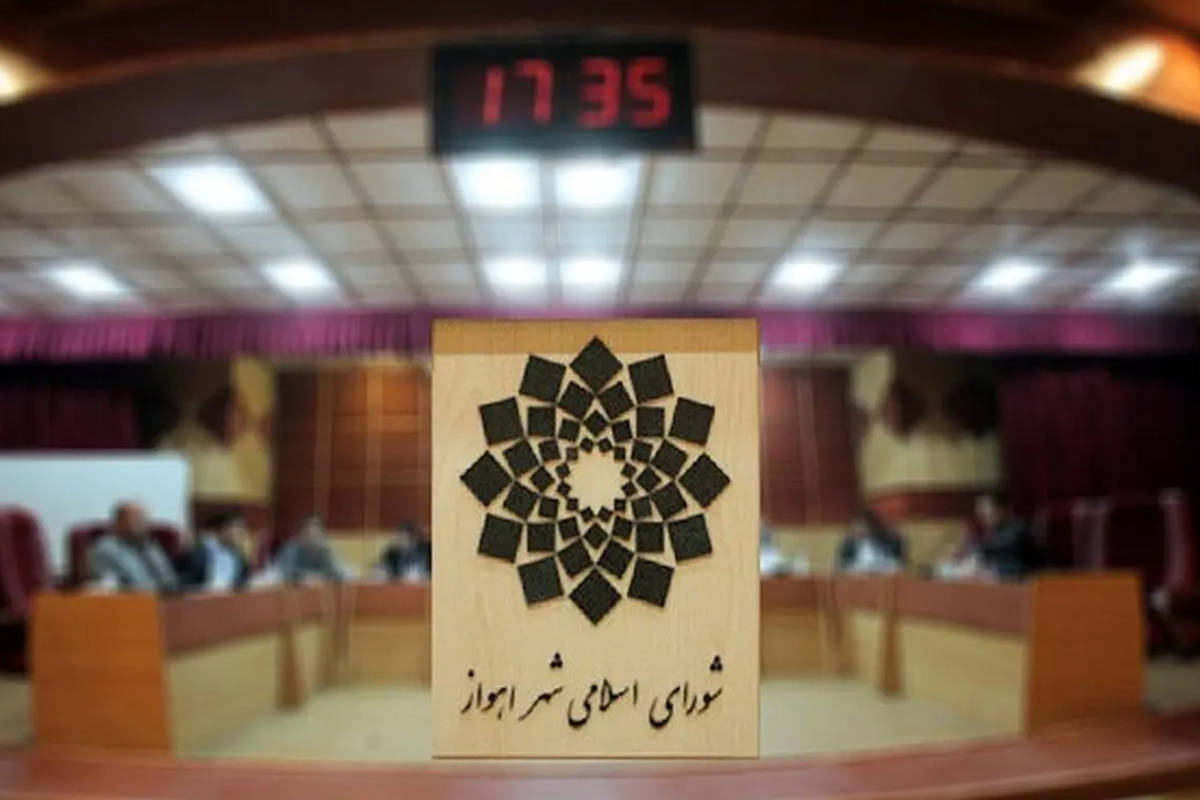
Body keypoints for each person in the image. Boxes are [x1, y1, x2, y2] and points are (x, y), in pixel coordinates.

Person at [86, 501, 179, 592]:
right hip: (133, 599)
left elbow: (169, 580)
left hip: (166, 598)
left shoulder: (149, 546)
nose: (141, 525)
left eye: (143, 520)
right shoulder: (106, 550)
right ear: (118, 524)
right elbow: (112, 585)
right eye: (135, 520)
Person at [972, 491, 1042, 580]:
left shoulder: (1018, 529)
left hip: (1029, 582)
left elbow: (1010, 560)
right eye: (979, 511)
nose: (982, 515)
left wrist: (979, 551)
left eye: (985, 509)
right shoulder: (992, 532)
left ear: (1001, 510)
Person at [177, 512, 251, 592]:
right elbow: (184, 582)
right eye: (236, 527)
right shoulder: (198, 551)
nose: (240, 532)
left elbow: (242, 582)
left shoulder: (237, 555)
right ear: (221, 529)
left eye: (242, 528)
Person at [273, 516, 348, 583]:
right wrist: (304, 577)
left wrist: (320, 577)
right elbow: (287, 570)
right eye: (308, 534)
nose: (311, 538)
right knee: (274, 576)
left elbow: (334, 571)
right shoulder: (292, 548)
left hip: (318, 580)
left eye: (315, 535)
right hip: (288, 576)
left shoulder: (325, 550)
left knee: (347, 572)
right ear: (301, 535)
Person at [836, 509, 906, 573]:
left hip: (884, 578)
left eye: (864, 526)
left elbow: (899, 564)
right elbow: (840, 566)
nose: (860, 530)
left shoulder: (887, 542)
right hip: (856, 579)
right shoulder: (849, 545)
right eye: (857, 526)